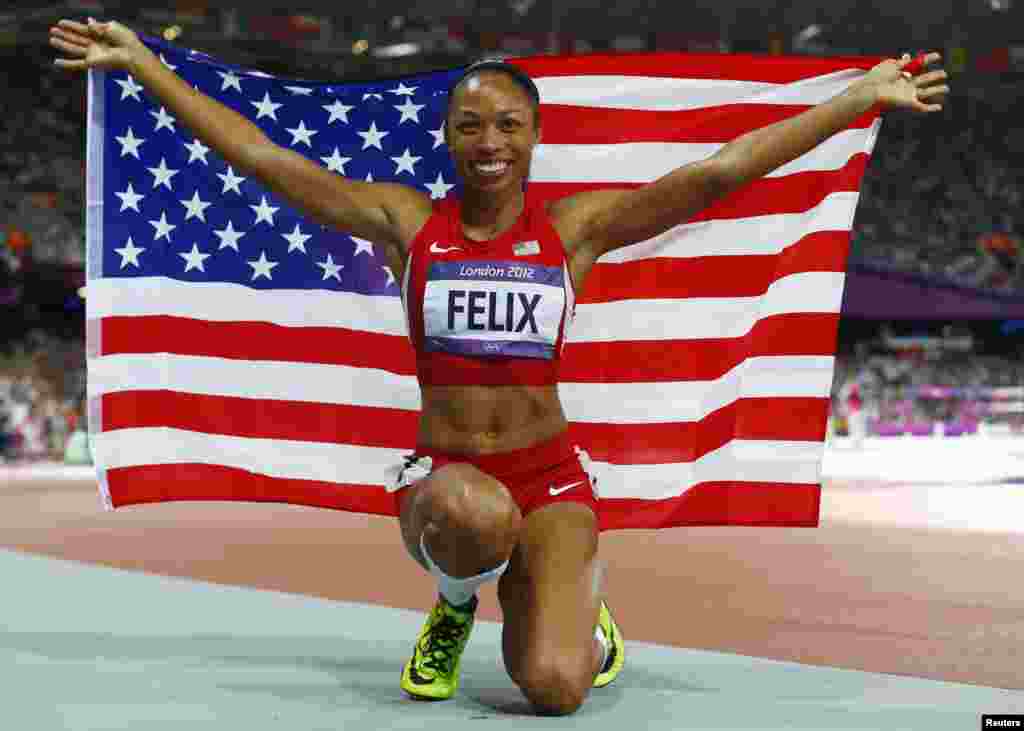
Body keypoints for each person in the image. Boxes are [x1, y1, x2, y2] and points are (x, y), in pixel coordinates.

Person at [50, 18, 948, 715]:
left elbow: (719, 172)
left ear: (534, 137)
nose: (489, 139)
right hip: (447, 481)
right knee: (466, 509)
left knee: (555, 688)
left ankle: (578, 611)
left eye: (509, 124)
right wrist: (143, 68)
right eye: (471, 123)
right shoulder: (410, 223)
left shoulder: (572, 231)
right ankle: (453, 601)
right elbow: (265, 159)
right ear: (446, 135)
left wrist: (858, 99)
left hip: (550, 477)